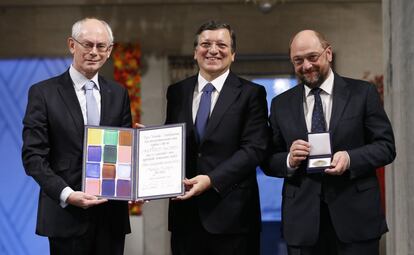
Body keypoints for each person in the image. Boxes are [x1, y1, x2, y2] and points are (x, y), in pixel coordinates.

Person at [263, 29, 396, 255]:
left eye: (312, 57)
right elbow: (267, 159)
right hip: (303, 223)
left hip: (356, 218)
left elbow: (386, 147)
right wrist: (288, 159)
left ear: (329, 53)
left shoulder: (362, 93)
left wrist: (350, 158)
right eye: (298, 60)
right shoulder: (279, 104)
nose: (306, 66)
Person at [22, 17, 132, 255]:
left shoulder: (119, 93)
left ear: (109, 51)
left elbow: (125, 153)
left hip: (110, 219)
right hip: (65, 216)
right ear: (72, 45)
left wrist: (138, 154)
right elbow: (33, 157)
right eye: (87, 44)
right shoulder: (43, 93)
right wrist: (67, 194)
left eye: (101, 46)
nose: (94, 52)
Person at [165, 20, 269, 255]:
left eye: (222, 44)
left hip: (233, 218)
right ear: (195, 52)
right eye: (205, 44)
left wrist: (211, 179)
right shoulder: (177, 91)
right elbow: (173, 139)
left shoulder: (251, 93)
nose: (213, 50)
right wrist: (149, 145)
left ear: (233, 54)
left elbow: (255, 148)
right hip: (185, 217)